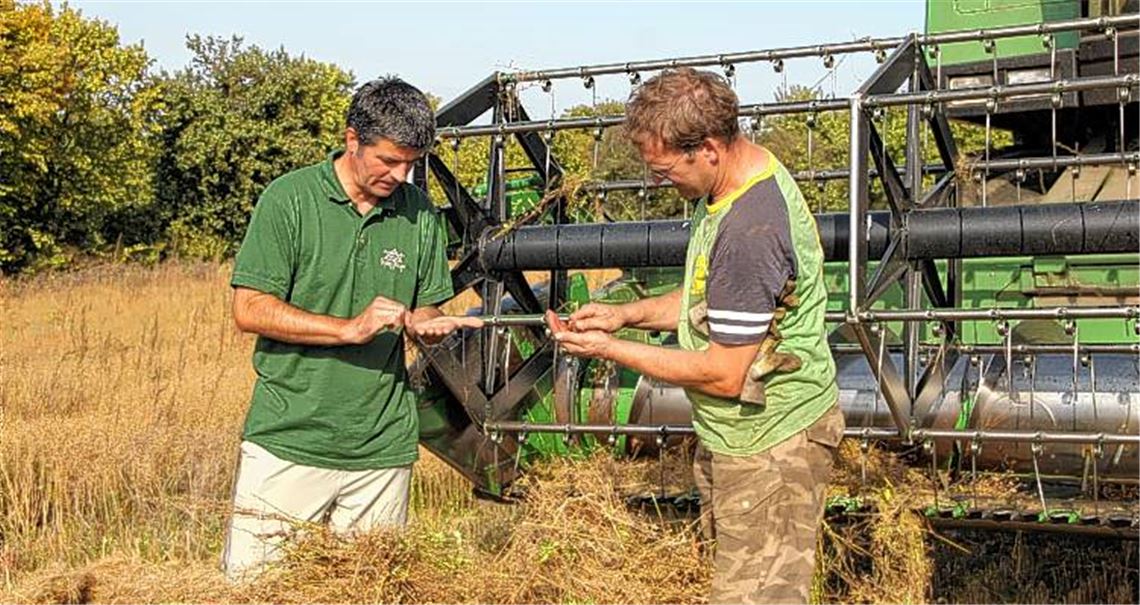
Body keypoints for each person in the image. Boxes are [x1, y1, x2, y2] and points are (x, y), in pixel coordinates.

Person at [549, 67, 843, 604]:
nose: (662, 182)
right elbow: (718, 304)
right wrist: (625, 315)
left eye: (665, 170)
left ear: (707, 148)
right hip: (739, 438)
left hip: (771, 446)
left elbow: (725, 374)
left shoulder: (750, 230)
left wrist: (609, 350)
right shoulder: (732, 189)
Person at [223, 76, 480, 581]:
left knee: (372, 589)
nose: (400, 174)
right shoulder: (290, 201)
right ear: (351, 140)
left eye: (410, 163)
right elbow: (249, 308)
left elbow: (425, 306)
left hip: (381, 447)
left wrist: (431, 326)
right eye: (388, 160)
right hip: (290, 439)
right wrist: (348, 329)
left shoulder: (419, 215)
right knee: (257, 589)